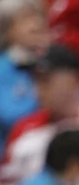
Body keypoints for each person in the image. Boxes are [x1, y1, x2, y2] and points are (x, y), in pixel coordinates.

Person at [0, 43, 79, 185]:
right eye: (35, 81)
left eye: (46, 81)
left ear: (74, 81)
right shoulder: (23, 128)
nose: (37, 90)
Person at [0, 0, 49, 150]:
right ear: (9, 30)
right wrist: (45, 99)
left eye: (38, 17)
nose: (35, 24)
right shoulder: (3, 68)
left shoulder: (51, 61)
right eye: (26, 18)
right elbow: (9, 115)